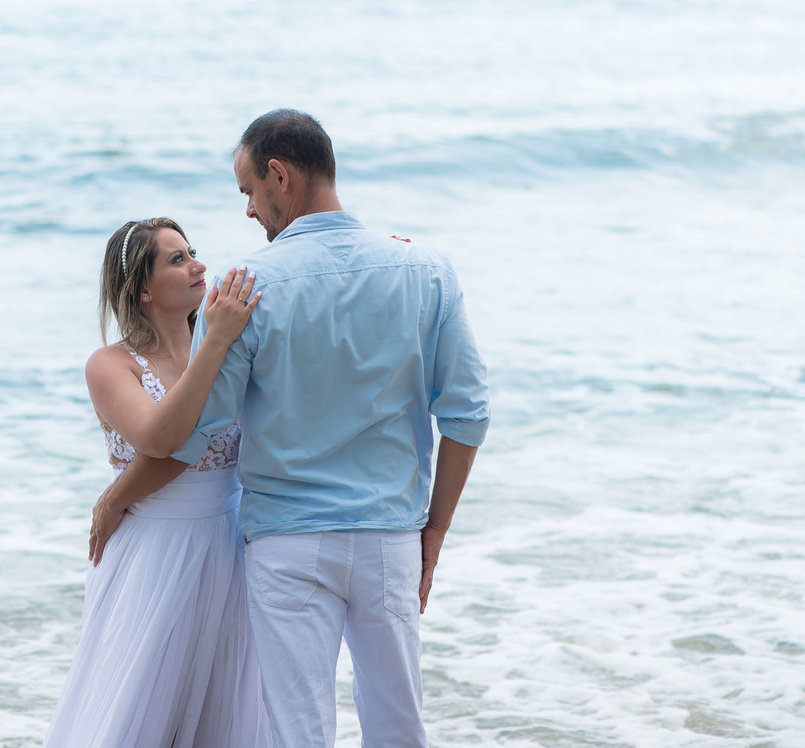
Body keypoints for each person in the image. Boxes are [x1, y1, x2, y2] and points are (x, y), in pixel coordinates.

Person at [93, 111, 490, 748]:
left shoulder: (247, 287)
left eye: (250, 191)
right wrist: (434, 530)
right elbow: (468, 414)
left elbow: (200, 432)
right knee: (399, 726)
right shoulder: (426, 269)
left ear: (280, 176)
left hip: (288, 543)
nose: (250, 210)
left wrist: (118, 495)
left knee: (297, 733)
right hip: (390, 535)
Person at [43, 217, 270, 748]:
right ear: (141, 289)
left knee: (224, 711)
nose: (198, 266)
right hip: (154, 554)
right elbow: (162, 438)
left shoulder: (232, 343)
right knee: (141, 711)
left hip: (232, 545)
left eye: (192, 252)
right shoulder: (110, 365)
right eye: (177, 259)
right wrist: (215, 342)